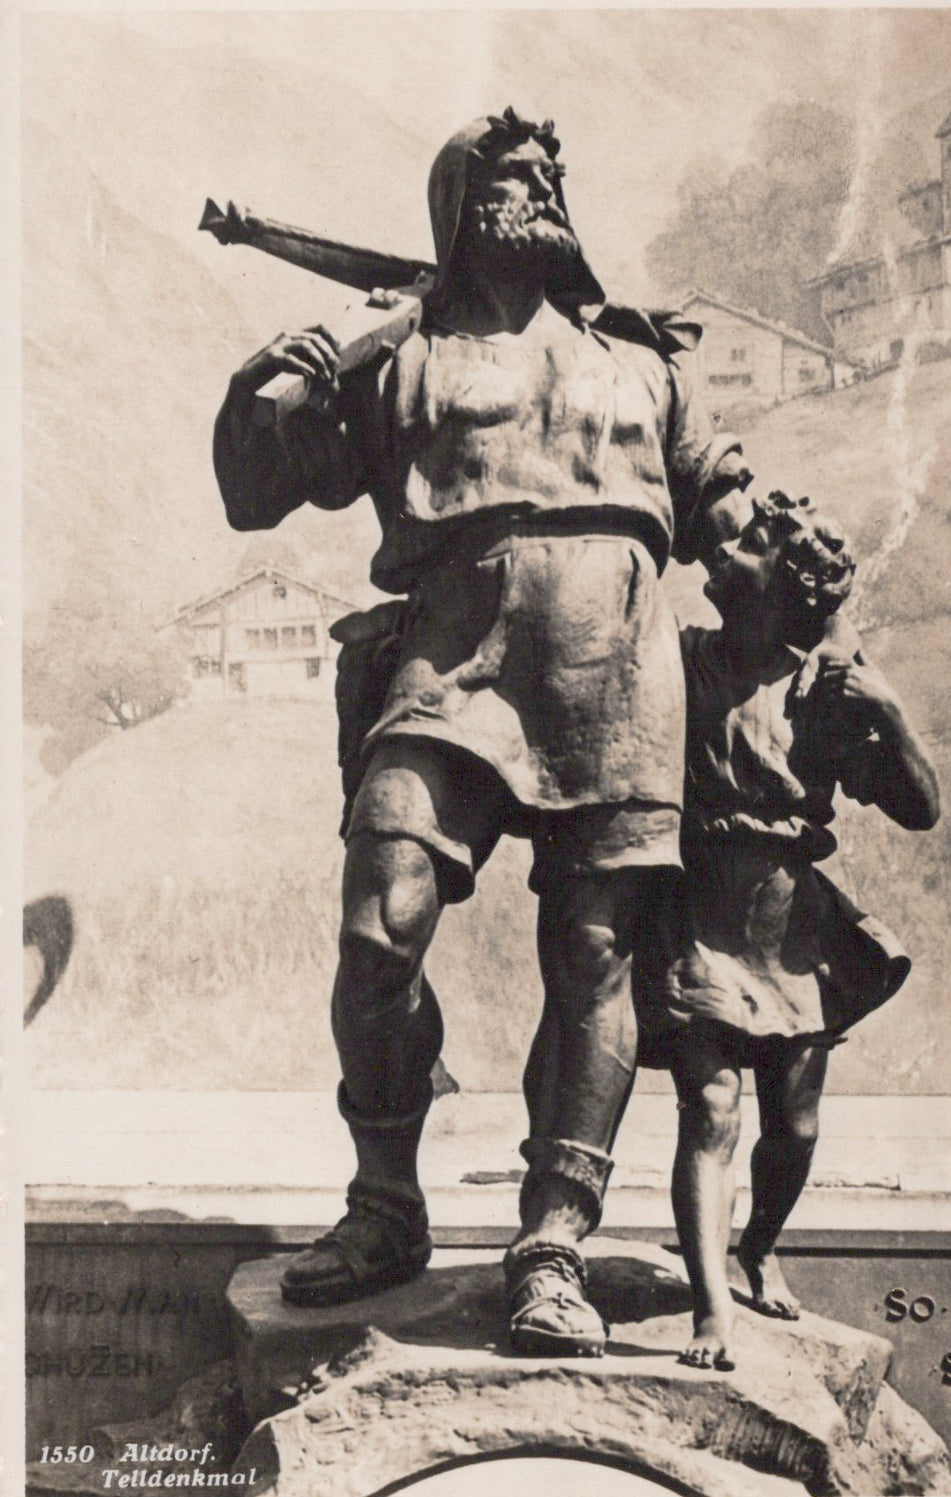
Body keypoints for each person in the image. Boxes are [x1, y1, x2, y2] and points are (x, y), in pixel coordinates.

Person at [213, 108, 751, 1355]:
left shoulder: (642, 360)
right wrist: (264, 390)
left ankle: (551, 1242)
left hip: (621, 665)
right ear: (457, 205)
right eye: (507, 174)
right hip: (454, 651)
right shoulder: (399, 355)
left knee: (598, 952)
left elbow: (727, 507)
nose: (537, 185)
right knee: (377, 931)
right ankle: (386, 1205)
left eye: (548, 172)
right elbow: (257, 495)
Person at [633, 491, 939, 1371]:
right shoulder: (682, 659)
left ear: (787, 592)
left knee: (795, 1126)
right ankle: (710, 1308)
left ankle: (759, 1243)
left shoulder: (826, 695)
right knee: (711, 1109)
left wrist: (886, 709)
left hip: (792, 930)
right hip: (697, 916)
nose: (728, 545)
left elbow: (922, 807)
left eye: (757, 542)